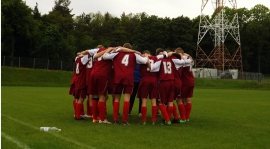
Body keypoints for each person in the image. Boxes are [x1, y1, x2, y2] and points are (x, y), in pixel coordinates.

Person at [103, 43, 150, 125]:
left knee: (117, 98)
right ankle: (124, 120)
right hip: (129, 77)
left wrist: (111, 49)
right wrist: (146, 56)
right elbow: (145, 61)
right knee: (127, 98)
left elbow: (104, 56)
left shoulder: (116, 53)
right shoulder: (134, 54)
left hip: (117, 77)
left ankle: (115, 120)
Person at [150, 48, 185, 125]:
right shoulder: (173, 60)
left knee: (160, 102)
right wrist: (179, 55)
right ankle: (169, 119)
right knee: (170, 102)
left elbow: (152, 68)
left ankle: (167, 120)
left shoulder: (160, 59)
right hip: (172, 82)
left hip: (163, 82)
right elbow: (183, 62)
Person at [137, 50, 163, 125]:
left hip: (145, 79)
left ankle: (144, 120)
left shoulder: (142, 58)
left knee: (144, 100)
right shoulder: (155, 58)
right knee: (154, 100)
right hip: (154, 79)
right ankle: (153, 120)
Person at [179, 51, 194, 122]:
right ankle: (187, 117)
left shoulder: (184, 61)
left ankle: (183, 117)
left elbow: (182, 63)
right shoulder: (189, 59)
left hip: (185, 82)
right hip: (191, 81)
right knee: (187, 99)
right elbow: (192, 60)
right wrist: (189, 56)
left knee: (180, 99)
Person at [74, 52, 89, 120]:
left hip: (77, 79)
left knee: (77, 98)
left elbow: (78, 55)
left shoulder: (77, 59)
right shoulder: (83, 60)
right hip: (81, 80)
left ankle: (77, 114)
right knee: (81, 98)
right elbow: (88, 55)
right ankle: (78, 116)